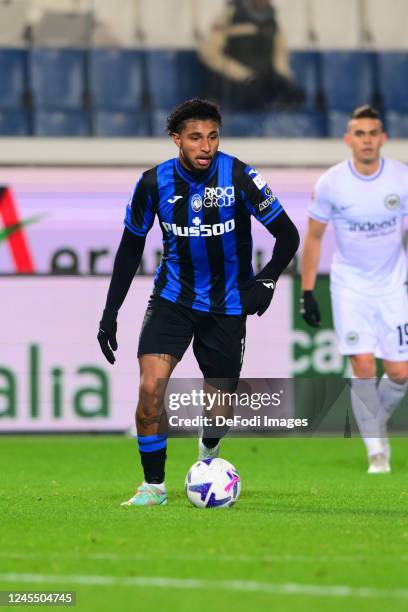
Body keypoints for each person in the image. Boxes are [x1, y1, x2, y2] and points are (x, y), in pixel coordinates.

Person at [97, 98, 299, 506]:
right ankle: (153, 486)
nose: (206, 146)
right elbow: (129, 250)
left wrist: (267, 281)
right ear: (176, 140)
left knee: (218, 408)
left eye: (212, 137)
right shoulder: (153, 184)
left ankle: (208, 455)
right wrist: (110, 314)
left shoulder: (240, 176)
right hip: (172, 298)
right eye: (195, 138)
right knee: (150, 388)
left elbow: (288, 235)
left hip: (227, 305)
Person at [300, 105, 408, 474]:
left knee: (400, 372)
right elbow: (314, 238)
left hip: (394, 284)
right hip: (350, 287)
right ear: (349, 140)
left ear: (383, 138)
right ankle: (376, 449)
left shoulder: (401, 178)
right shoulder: (331, 183)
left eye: (372, 133)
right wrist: (308, 291)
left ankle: (372, 421)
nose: (366, 140)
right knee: (362, 365)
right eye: (359, 134)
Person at [198, 0, 304, 112]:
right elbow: (209, 54)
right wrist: (244, 76)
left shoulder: (272, 20)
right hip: (236, 81)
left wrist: (283, 76)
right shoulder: (229, 16)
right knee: (252, 97)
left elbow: (280, 53)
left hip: (263, 80)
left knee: (295, 95)